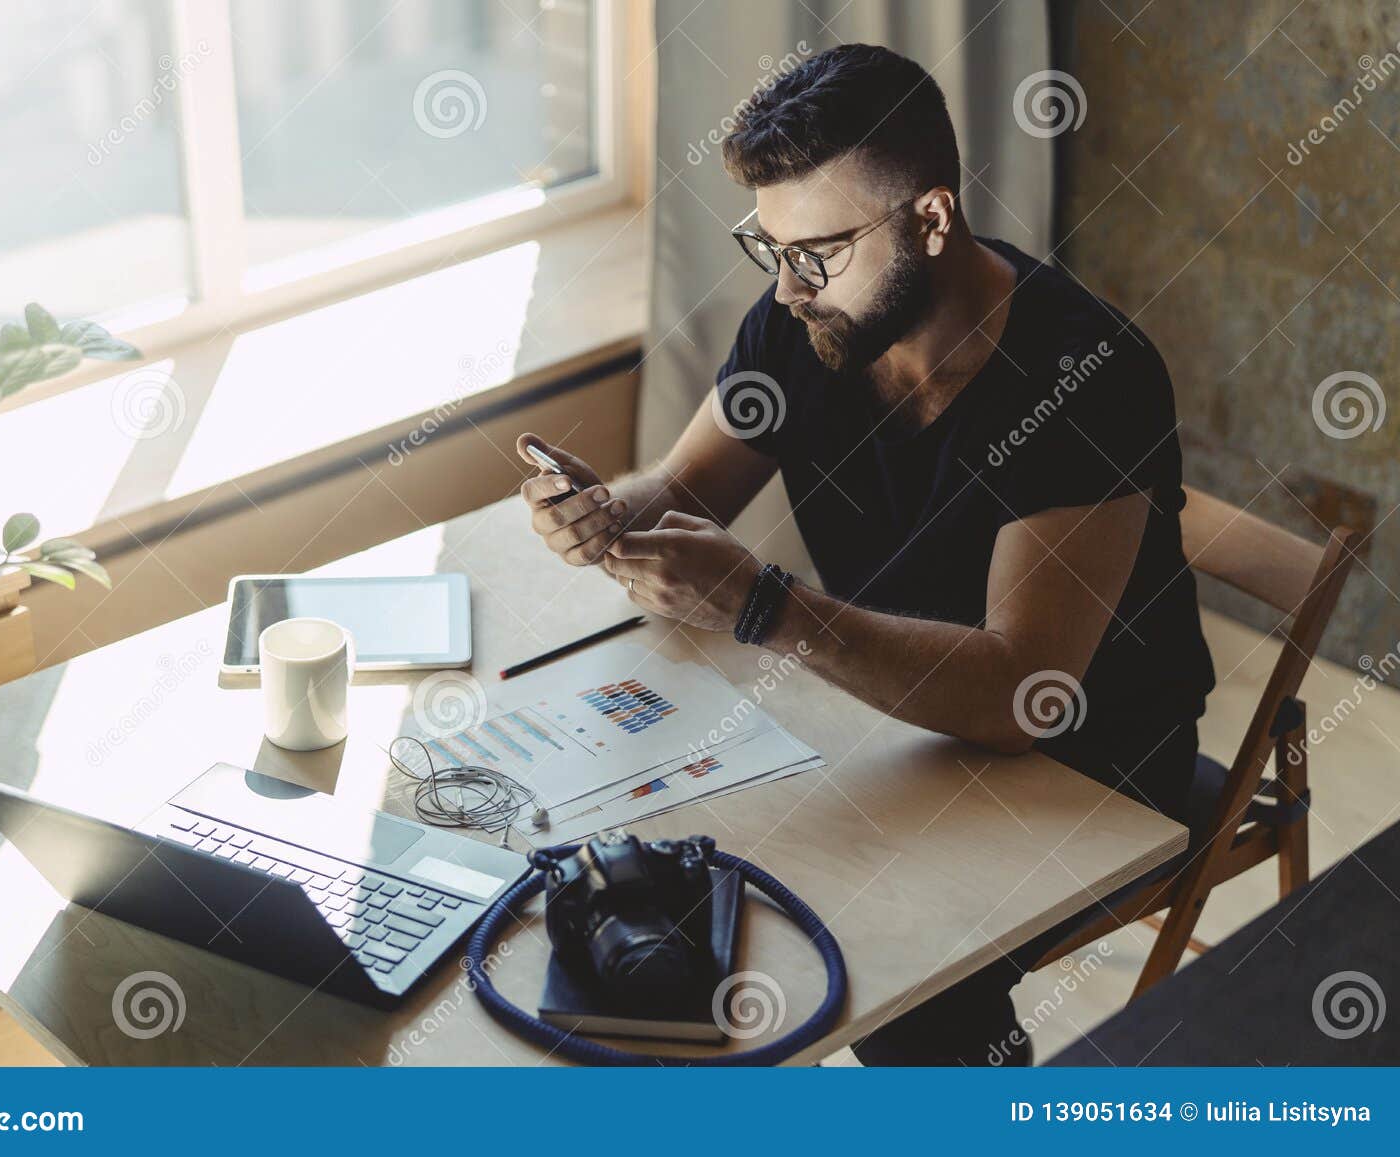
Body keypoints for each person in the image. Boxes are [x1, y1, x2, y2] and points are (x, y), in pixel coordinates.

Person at [515, 43, 1215, 1065]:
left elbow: (1025, 693)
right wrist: (600, 513)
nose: (790, 288)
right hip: (888, 716)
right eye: (769, 249)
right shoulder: (805, 323)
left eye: (818, 253)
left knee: (896, 972)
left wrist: (765, 605)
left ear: (931, 219)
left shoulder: (1084, 379)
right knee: (664, 870)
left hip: (1092, 766)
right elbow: (680, 492)